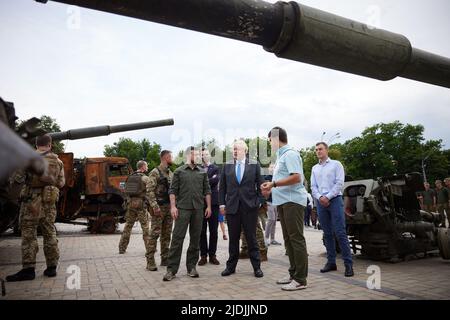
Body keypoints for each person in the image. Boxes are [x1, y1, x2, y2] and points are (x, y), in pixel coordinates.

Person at [6, 134, 65, 282]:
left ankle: (28, 270)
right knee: (49, 232)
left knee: (28, 235)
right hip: (49, 202)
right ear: (50, 145)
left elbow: (16, 180)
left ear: (36, 145)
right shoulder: (58, 161)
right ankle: (51, 268)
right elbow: (61, 183)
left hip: (31, 202)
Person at [261, 127, 308, 291]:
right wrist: (270, 189)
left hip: (293, 201)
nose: (269, 144)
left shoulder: (290, 154)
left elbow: (297, 177)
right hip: (283, 201)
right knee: (289, 239)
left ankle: (301, 279)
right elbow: (283, 179)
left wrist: (274, 184)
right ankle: (293, 274)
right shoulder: (281, 157)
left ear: (275, 138)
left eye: (270, 141)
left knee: (296, 239)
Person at [163, 147, 211, 281]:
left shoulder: (202, 172)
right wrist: (173, 207)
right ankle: (171, 270)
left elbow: (207, 191)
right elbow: (172, 191)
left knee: (195, 240)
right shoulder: (179, 171)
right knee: (177, 239)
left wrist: (208, 207)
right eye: (196, 154)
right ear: (189, 155)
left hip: (198, 210)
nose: (198, 157)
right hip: (182, 209)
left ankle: (191, 267)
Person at [219, 140, 264, 278]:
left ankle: (257, 267)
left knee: (251, 238)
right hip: (232, 208)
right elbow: (223, 188)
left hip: (250, 207)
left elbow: (261, 184)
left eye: (237, 149)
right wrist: (222, 204)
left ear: (245, 150)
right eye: (233, 149)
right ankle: (230, 267)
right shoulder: (227, 166)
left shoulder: (254, 165)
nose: (234, 151)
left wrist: (259, 201)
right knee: (233, 239)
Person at [311, 142, 354, 277]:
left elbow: (339, 183)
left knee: (340, 232)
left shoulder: (336, 164)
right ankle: (331, 262)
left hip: (334, 200)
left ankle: (348, 265)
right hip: (320, 202)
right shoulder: (314, 168)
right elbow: (313, 186)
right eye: (316, 149)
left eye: (321, 149)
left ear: (326, 150)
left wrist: (328, 197)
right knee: (327, 233)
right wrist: (320, 197)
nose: (318, 151)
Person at [118, 160, 154, 269]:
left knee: (128, 226)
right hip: (141, 205)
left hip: (130, 205)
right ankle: (149, 249)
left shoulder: (129, 177)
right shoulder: (144, 178)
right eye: (146, 166)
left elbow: (124, 190)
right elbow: (151, 189)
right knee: (145, 228)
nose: (147, 167)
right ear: (143, 167)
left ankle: (122, 248)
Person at [147, 150, 174, 271]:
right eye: (171, 157)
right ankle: (150, 261)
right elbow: (149, 190)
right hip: (159, 208)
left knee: (167, 235)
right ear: (165, 157)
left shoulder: (170, 173)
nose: (172, 158)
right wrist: (155, 206)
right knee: (154, 234)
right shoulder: (155, 172)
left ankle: (165, 258)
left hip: (168, 208)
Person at [198, 148, 221, 266]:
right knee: (201, 231)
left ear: (210, 156)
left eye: (206, 154)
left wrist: (204, 180)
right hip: (201, 204)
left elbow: (215, 180)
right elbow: (200, 182)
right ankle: (203, 255)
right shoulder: (198, 168)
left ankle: (212, 255)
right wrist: (209, 179)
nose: (205, 156)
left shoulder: (216, 168)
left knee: (214, 231)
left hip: (214, 203)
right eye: (203, 154)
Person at [264, 164, 281, 246]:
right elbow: (266, 190)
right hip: (269, 201)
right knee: (271, 219)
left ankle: (273, 239)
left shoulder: (277, 178)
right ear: (268, 169)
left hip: (276, 201)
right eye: (271, 167)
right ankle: (266, 238)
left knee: (274, 221)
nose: (273, 169)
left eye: (274, 167)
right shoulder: (267, 178)